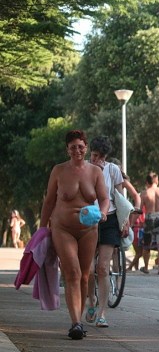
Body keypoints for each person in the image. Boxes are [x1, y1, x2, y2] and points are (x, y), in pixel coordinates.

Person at [40, 130, 109, 340]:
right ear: (67, 150)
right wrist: (43, 229)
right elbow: (49, 201)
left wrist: (104, 213)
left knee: (85, 275)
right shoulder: (59, 171)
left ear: (86, 148)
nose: (77, 151)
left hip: (89, 230)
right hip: (63, 228)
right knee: (73, 272)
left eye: (80, 146)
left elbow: (104, 199)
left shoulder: (95, 171)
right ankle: (75, 323)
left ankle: (78, 321)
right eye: (72, 147)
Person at [85, 138, 141, 328]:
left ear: (105, 156)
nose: (95, 159)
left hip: (108, 220)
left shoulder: (113, 170)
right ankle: (91, 301)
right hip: (89, 220)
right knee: (89, 269)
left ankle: (102, 313)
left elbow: (119, 198)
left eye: (99, 156)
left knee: (102, 267)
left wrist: (124, 221)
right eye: (93, 155)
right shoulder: (84, 168)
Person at [139, 171, 159, 275]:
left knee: (146, 244)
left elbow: (138, 210)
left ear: (147, 181)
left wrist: (132, 222)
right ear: (157, 181)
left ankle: (146, 268)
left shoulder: (144, 193)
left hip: (149, 218)